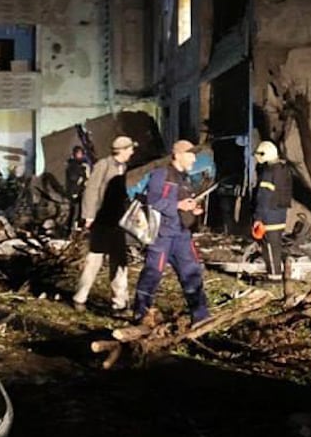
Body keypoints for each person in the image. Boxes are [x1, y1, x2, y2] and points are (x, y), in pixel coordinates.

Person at [131, 139, 211, 327]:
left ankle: (201, 318)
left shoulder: (185, 178)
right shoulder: (161, 174)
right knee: (153, 274)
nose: (194, 159)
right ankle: (140, 315)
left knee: (192, 273)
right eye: (191, 155)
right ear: (178, 155)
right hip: (162, 236)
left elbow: (182, 203)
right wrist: (177, 205)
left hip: (182, 236)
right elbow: (153, 201)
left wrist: (192, 210)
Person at [72, 136, 136, 313]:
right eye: (130, 148)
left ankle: (120, 301)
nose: (132, 151)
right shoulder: (104, 165)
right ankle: (80, 297)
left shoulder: (125, 168)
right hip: (102, 220)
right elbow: (91, 189)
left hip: (118, 221)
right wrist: (89, 216)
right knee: (94, 260)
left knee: (120, 260)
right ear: (122, 150)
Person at [252, 140, 294, 295]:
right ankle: (278, 272)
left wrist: (258, 217)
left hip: (268, 215)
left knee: (269, 246)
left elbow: (263, 197)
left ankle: (274, 277)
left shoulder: (268, 173)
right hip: (279, 213)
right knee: (276, 244)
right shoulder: (283, 170)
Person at [64, 145, 89, 233]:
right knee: (74, 211)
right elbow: (73, 179)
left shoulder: (82, 165)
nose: (81, 156)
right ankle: (71, 231)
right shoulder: (72, 166)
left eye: (81, 154)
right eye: (79, 154)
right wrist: (75, 191)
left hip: (81, 192)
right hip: (75, 193)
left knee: (80, 212)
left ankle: (78, 229)